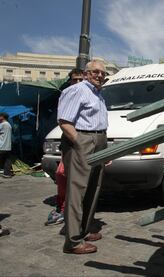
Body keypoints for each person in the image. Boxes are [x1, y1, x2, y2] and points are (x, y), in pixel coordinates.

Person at [58, 60, 108, 254]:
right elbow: (64, 121)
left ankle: (84, 230)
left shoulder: (97, 94)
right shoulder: (78, 89)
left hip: (98, 141)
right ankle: (73, 241)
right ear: (87, 73)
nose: (100, 75)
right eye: (95, 72)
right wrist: (80, 143)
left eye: (103, 73)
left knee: (93, 188)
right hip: (84, 141)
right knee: (78, 191)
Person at [45, 69, 85, 226]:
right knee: (62, 174)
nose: (78, 83)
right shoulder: (67, 94)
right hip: (69, 142)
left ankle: (76, 212)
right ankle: (62, 208)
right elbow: (63, 120)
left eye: (81, 80)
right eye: (75, 80)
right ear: (70, 81)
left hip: (84, 142)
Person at [0, 112, 13, 178]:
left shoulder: (2, 124)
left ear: (2, 117)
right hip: (7, 146)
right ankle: (7, 174)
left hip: (1, 146)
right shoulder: (9, 124)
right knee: (7, 161)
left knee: (5, 160)